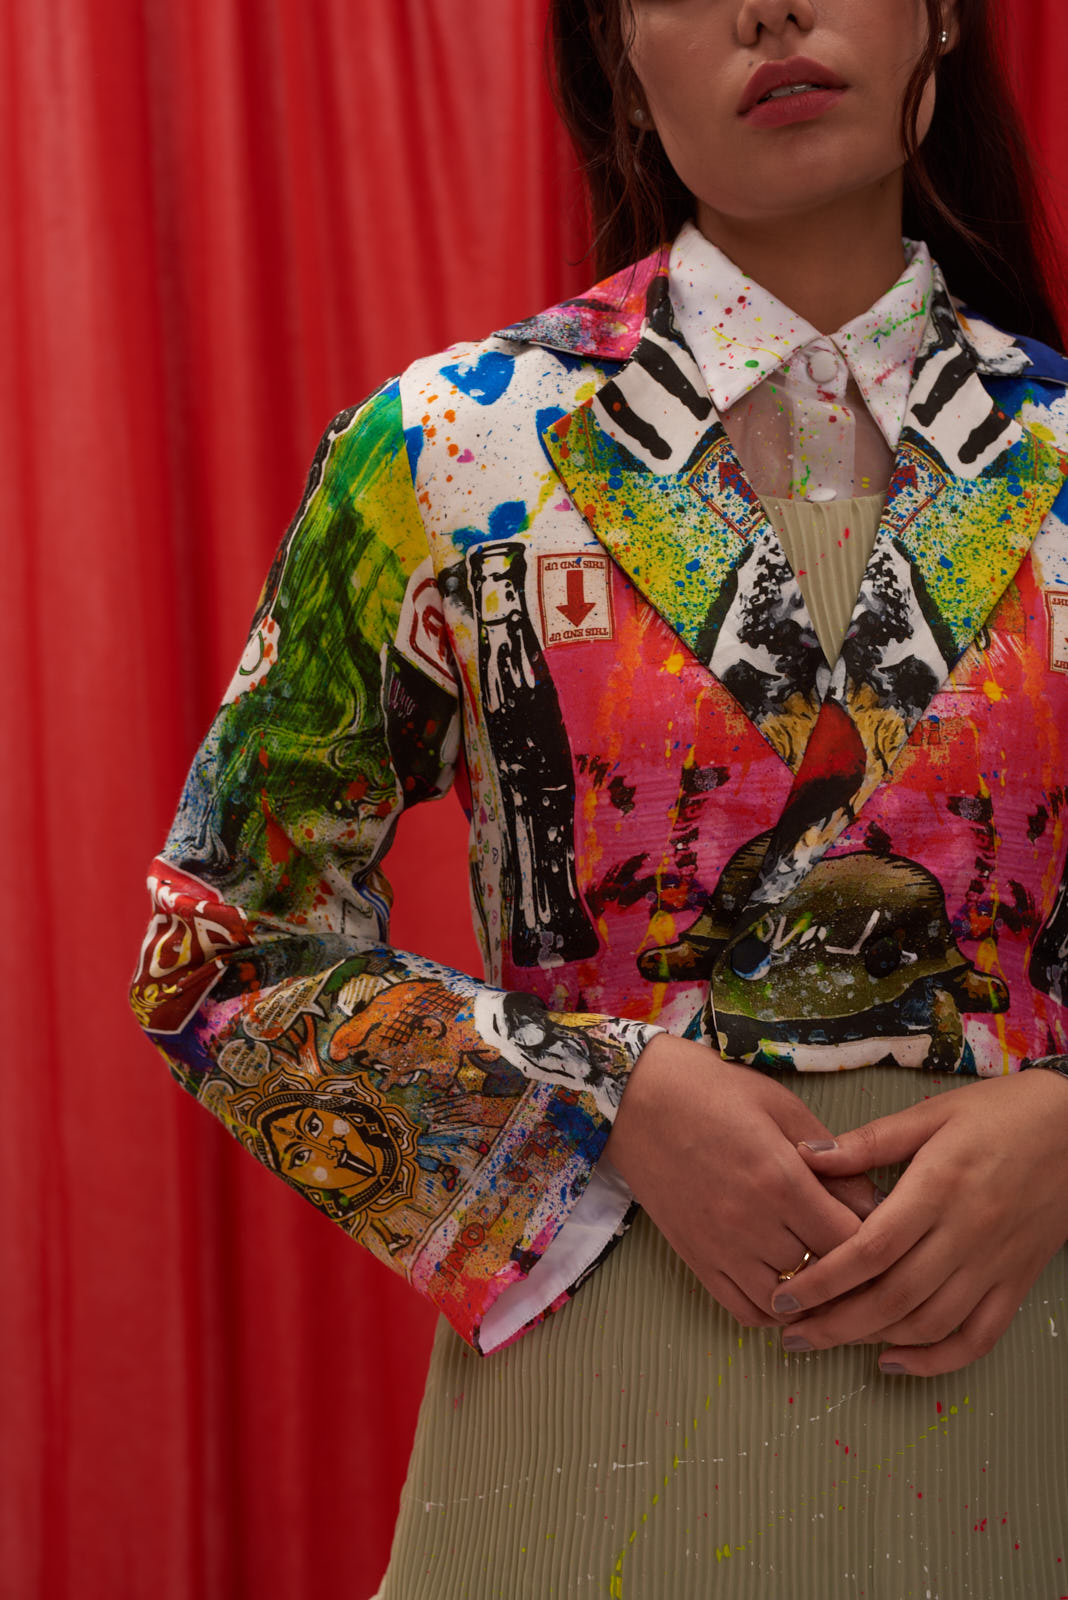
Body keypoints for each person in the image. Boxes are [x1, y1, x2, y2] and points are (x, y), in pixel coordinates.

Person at [131, 0, 1068, 1591]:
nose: (770, 7)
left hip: (1020, 1403)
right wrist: (597, 1094)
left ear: (948, 14)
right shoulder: (453, 448)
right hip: (589, 1426)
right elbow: (212, 951)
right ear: (614, 55)